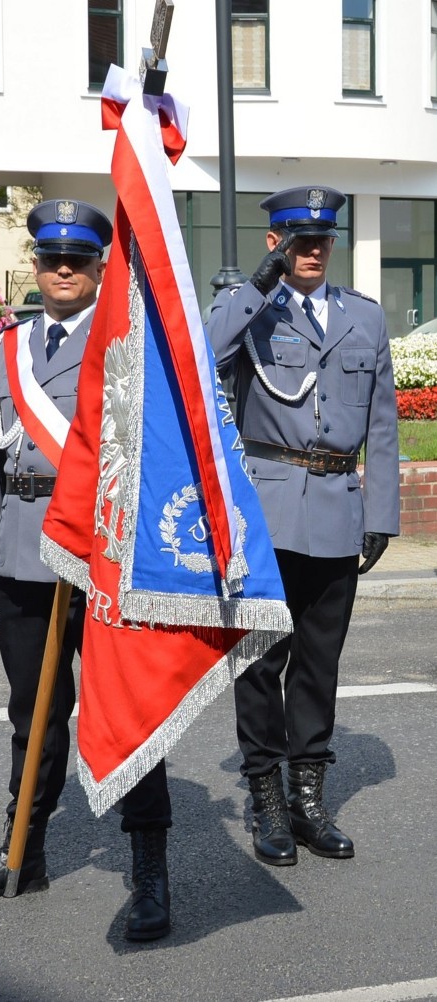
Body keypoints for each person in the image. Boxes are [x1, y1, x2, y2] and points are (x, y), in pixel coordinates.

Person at [0, 199, 173, 941]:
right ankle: (25, 850)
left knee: (130, 713)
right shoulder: (5, 347)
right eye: (51, 259)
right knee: (31, 715)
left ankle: (149, 870)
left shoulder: (127, 346)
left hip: (102, 556)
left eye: (78, 260)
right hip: (21, 549)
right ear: (36, 266)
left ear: (100, 269)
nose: (64, 270)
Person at [206, 186, 399, 867]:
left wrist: (380, 515)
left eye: (320, 240)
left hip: (338, 508)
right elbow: (204, 356)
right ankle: (267, 801)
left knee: (319, 665)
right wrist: (258, 285)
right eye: (296, 240)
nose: (310, 250)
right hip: (267, 509)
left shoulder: (364, 318)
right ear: (275, 243)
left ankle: (309, 799)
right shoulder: (251, 309)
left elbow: (381, 423)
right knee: (261, 661)